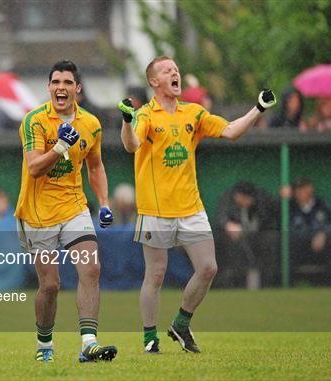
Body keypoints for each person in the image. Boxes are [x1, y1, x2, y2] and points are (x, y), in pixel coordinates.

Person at [117, 55, 276, 354]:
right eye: (167, 71)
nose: (175, 73)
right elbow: (131, 145)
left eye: (176, 69)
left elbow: (230, 131)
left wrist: (258, 108)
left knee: (208, 268)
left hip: (190, 207)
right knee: (156, 274)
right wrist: (127, 120)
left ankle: (180, 323)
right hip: (155, 209)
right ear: (154, 81)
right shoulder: (145, 116)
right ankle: (150, 338)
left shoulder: (193, 113)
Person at [15, 60, 117, 363]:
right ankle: (44, 345)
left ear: (78, 89)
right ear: (49, 88)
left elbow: (95, 166)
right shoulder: (33, 121)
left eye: (68, 82)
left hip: (74, 206)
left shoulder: (91, 124)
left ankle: (89, 344)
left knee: (91, 269)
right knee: (50, 285)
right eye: (56, 82)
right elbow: (34, 169)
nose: (61, 87)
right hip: (37, 212)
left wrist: (105, 203)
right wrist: (59, 147)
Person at [214, 181, 280, 288]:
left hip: (258, 237)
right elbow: (220, 217)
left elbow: (270, 216)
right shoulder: (228, 197)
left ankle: (269, 283)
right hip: (234, 240)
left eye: (244, 198)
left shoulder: (261, 199)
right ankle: (232, 283)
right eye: (238, 196)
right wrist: (228, 225)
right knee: (225, 242)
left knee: (272, 239)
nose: (239, 199)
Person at [289, 177, 331, 284]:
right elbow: (288, 227)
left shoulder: (323, 205)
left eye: (303, 189)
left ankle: (330, 286)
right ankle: (289, 285)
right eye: (297, 190)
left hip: (322, 249)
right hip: (301, 250)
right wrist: (310, 237)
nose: (299, 193)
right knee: (290, 241)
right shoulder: (290, 207)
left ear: (310, 189)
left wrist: (323, 234)